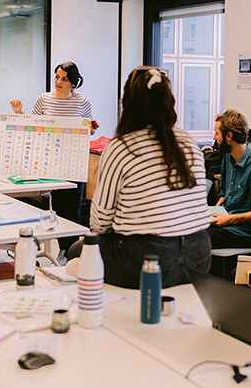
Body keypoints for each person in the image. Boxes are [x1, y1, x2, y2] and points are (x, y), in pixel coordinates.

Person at [79, 66, 211, 288]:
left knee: (79, 251)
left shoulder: (123, 147)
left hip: (147, 258)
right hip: (199, 255)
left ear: (128, 103)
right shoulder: (190, 144)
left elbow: (99, 222)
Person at [10, 61, 97, 243]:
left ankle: (69, 249)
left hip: (74, 160)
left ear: (73, 82)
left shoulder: (83, 102)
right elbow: (33, 125)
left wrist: (91, 128)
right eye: (57, 76)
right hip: (50, 159)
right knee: (55, 205)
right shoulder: (44, 99)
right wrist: (19, 113)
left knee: (73, 207)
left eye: (64, 79)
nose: (58, 81)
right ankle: (57, 244)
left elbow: (89, 128)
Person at [208, 110, 251, 250]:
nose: (215, 137)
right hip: (228, 222)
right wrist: (214, 210)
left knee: (196, 239)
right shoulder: (228, 156)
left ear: (229, 136)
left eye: (217, 132)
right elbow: (224, 193)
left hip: (247, 231)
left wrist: (229, 219)